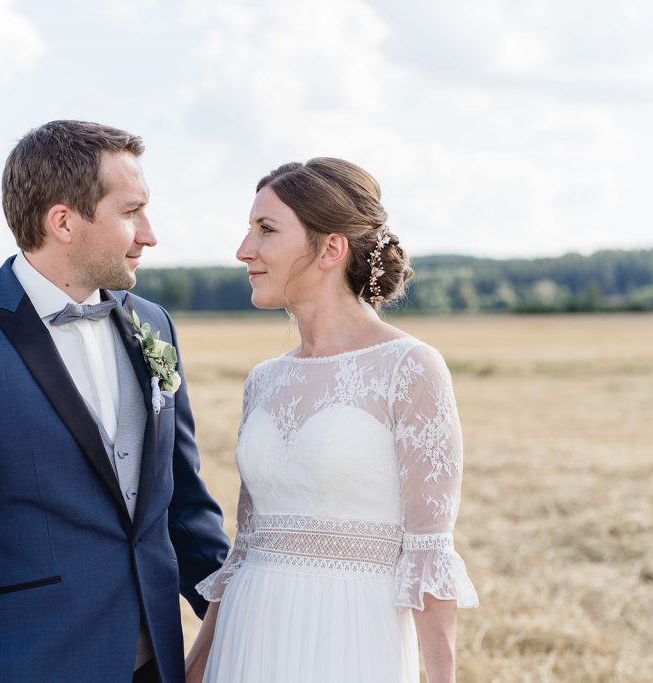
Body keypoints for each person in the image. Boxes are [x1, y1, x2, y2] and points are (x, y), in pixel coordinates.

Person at [0, 120, 231, 683]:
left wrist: (243, 622)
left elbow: (183, 507)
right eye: (131, 211)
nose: (149, 235)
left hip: (155, 665)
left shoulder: (153, 324)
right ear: (63, 221)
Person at [184, 158, 479, 683]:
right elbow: (245, 545)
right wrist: (197, 664)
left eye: (266, 229)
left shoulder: (409, 367)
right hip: (249, 636)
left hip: (351, 639)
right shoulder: (263, 380)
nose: (244, 249)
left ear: (330, 248)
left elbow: (429, 554)